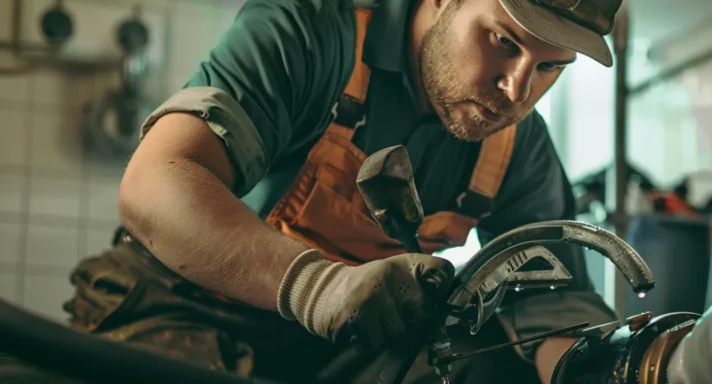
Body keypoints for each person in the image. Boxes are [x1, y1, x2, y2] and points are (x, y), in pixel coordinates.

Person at [0, 0, 622, 382]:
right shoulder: (310, 28)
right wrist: (319, 284)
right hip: (175, 312)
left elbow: (553, 307)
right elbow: (153, 182)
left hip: (329, 355)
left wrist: (615, 370)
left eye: (548, 68)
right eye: (504, 41)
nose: (516, 91)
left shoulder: (517, 144)